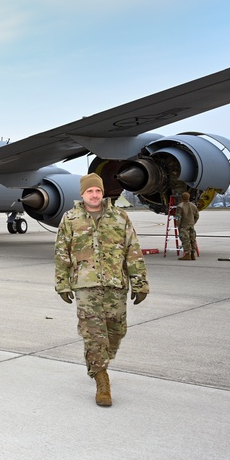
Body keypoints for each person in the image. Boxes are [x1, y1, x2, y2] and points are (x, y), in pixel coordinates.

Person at [54, 173, 149, 407]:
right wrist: (62, 283)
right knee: (94, 335)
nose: (94, 195)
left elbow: (133, 250)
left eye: (97, 191)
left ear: (102, 193)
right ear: (82, 194)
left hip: (115, 285)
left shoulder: (119, 217)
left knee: (116, 332)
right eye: (90, 191)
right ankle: (102, 380)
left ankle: (101, 361)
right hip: (86, 287)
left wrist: (140, 282)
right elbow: (61, 253)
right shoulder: (70, 218)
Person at [176, 191, 199, 260]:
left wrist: (178, 225)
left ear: (182, 198)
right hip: (191, 225)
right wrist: (193, 222)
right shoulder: (193, 206)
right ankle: (193, 255)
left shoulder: (180, 206)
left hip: (184, 226)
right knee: (192, 240)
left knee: (185, 240)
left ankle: (187, 254)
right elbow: (197, 216)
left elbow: (178, 217)